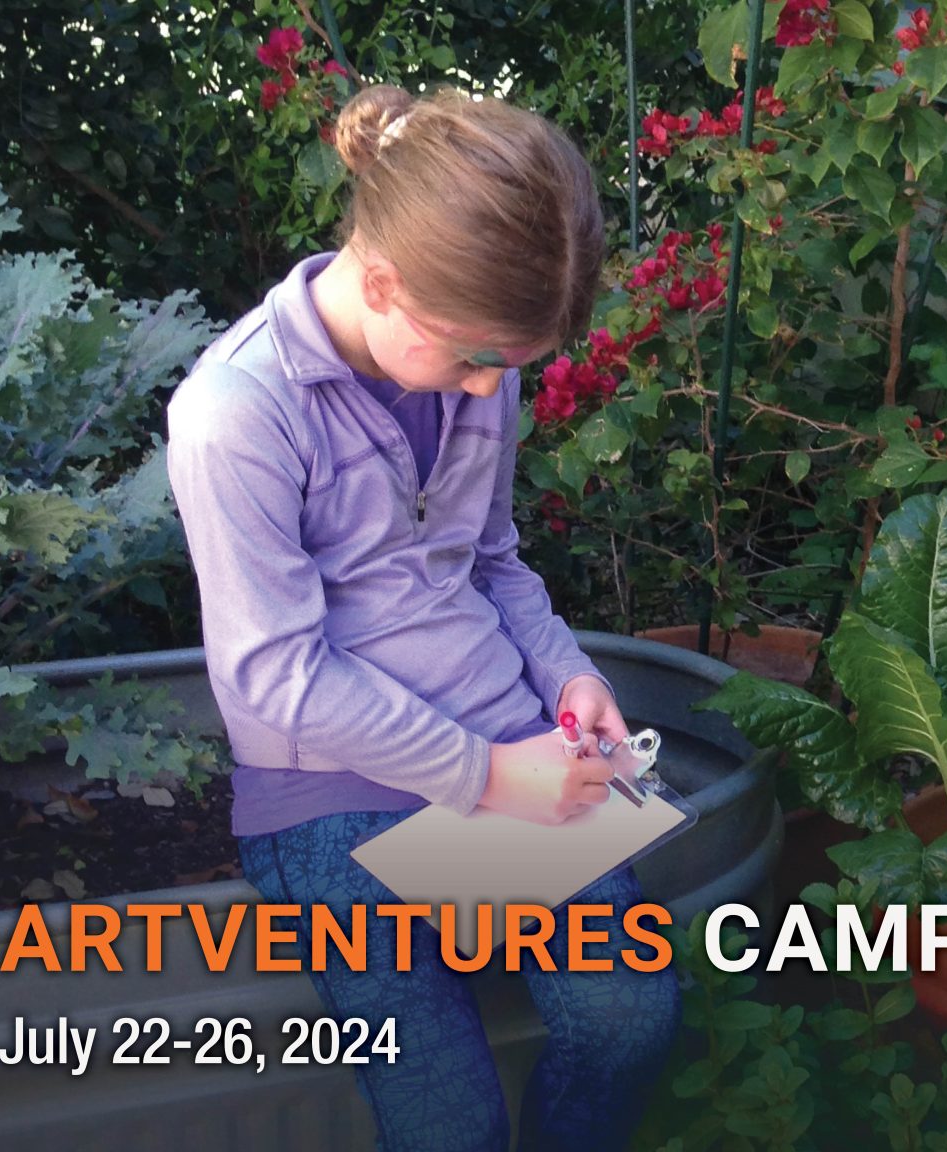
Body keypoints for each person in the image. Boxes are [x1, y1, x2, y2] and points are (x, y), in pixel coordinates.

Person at [166, 84, 679, 1151]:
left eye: (511, 368)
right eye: (477, 359)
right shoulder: (235, 413)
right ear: (386, 283)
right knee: (446, 1118)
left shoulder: (475, 372)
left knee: (631, 1015)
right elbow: (275, 679)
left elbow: (492, 563)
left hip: (513, 747)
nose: (492, 394)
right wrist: (489, 779)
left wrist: (564, 676)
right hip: (330, 788)